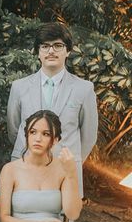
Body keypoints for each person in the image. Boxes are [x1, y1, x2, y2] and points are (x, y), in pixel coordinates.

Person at [7, 22, 98, 195]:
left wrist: (70, 159)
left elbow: (89, 136)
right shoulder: (19, 87)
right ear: (38, 52)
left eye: (58, 46)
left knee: (61, 221)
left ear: (68, 51)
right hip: (25, 165)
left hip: (65, 170)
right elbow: (14, 129)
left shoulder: (84, 89)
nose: (51, 51)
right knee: (21, 219)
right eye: (45, 46)